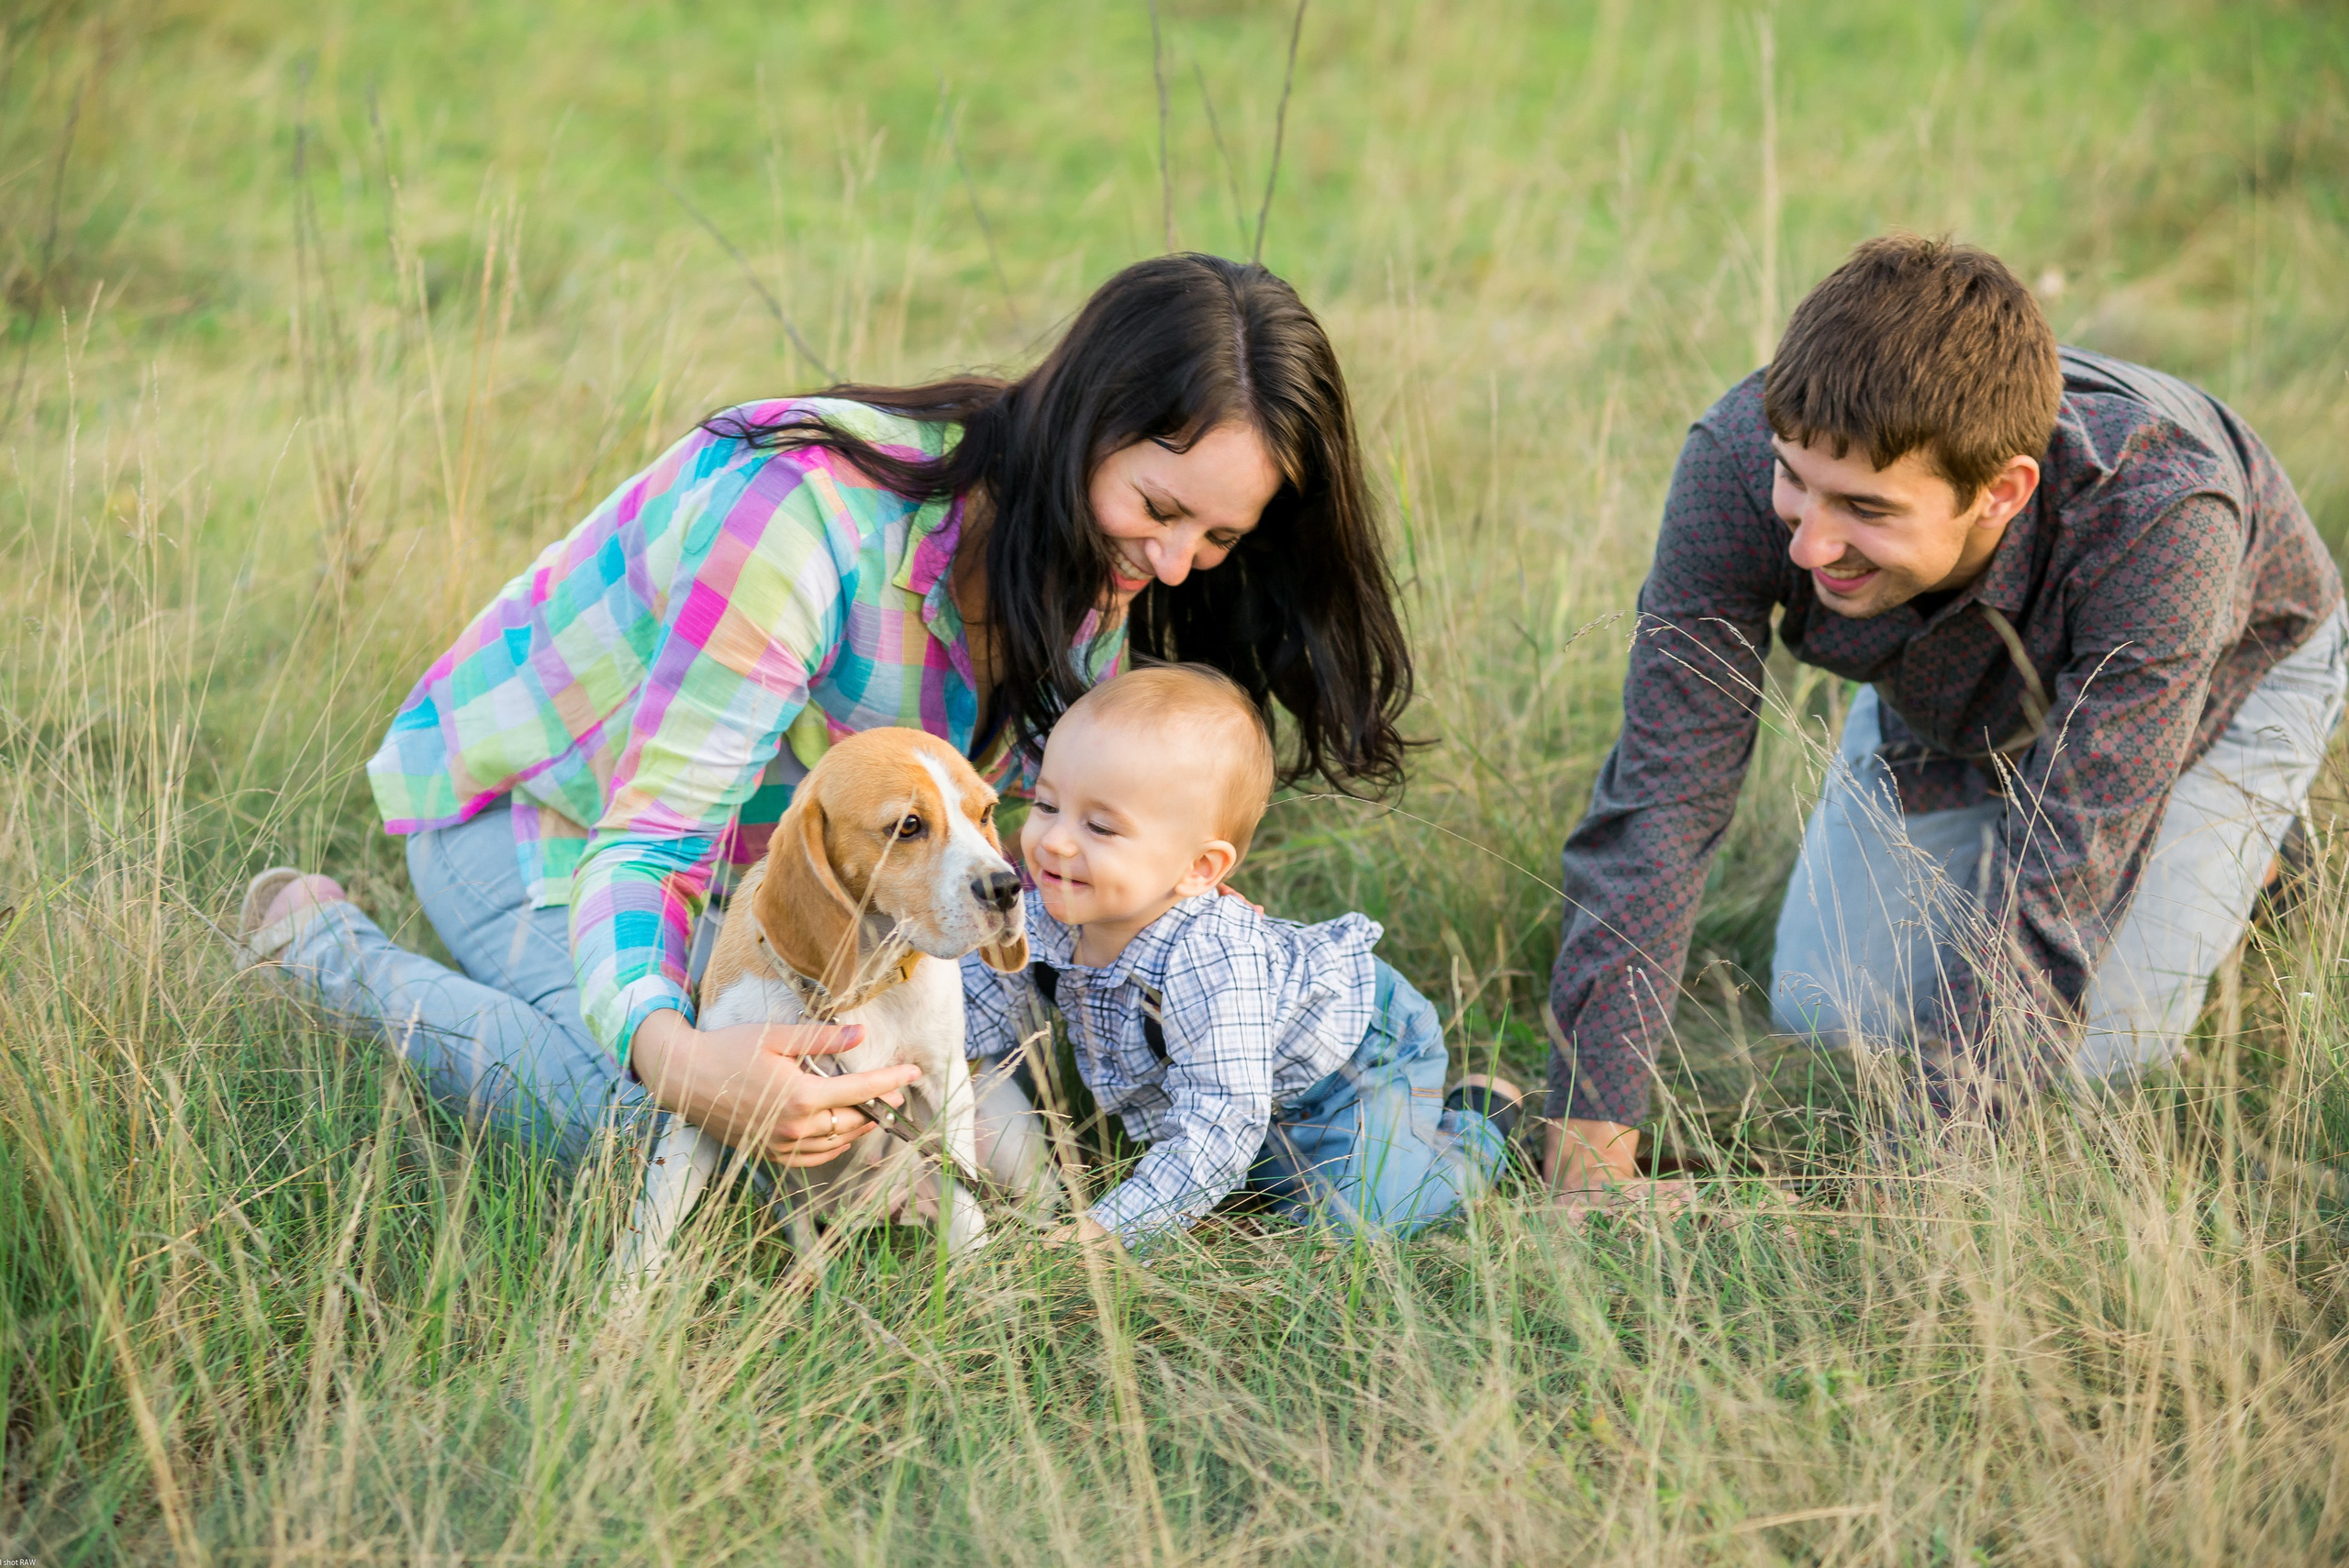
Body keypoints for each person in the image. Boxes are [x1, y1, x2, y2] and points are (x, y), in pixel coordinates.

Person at [233, 253, 1415, 1175]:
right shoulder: (801, 517)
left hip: (791, 878)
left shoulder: (1085, 573)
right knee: (647, 1129)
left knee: (910, 1119)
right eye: (1158, 509)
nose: (1171, 563)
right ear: (1086, 418)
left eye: (1216, 536)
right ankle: (321, 947)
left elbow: (1010, 844)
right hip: (542, 816)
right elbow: (652, 840)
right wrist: (680, 1055)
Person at [1544, 234, 2346, 1201]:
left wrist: (1903, 1190)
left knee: (2096, 1059)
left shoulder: (2165, 521)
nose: (1807, 545)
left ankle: (2258, 862)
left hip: (2221, 679)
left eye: (1865, 508)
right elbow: (1662, 802)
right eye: (1796, 482)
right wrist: (1588, 1150)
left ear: (2001, 492)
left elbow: (2061, 879)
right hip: (1947, 686)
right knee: (1830, 1011)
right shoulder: (1738, 463)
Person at [960, 665, 1522, 1249]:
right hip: (1243, 1086)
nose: (1053, 840)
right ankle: (1269, 1169)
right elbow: (966, 1022)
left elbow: (1221, 1120)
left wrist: (1109, 1231)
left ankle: (1478, 1127)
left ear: (1198, 868)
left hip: (1356, 1066)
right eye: (1047, 804)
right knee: (1260, 1181)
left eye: (1100, 826)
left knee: (1357, 1224)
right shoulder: (1037, 915)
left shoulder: (1211, 956)